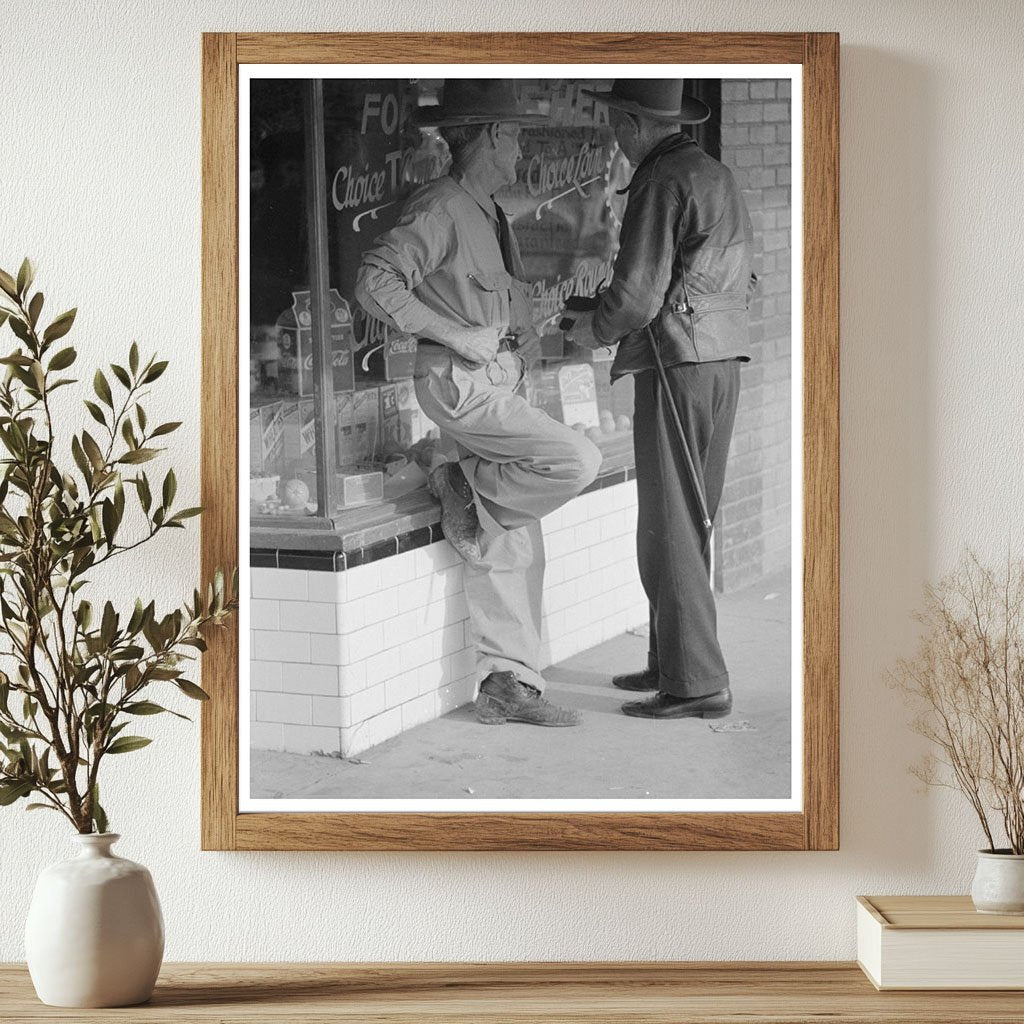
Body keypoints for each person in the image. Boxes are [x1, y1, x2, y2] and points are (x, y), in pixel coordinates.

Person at [355, 80, 601, 728]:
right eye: (515, 133)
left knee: (509, 534)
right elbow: (374, 281)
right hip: (460, 386)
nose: (520, 146)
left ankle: (506, 681)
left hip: (496, 381)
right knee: (576, 460)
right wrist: (456, 334)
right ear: (491, 135)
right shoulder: (441, 206)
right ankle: (456, 478)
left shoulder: (486, 210)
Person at [563, 80, 756, 720]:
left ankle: (696, 684)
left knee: (668, 523)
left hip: (676, 362)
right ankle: (672, 662)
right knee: (688, 521)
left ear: (632, 121)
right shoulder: (712, 173)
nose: (615, 136)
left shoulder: (659, 177)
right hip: (720, 361)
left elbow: (641, 294)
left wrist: (590, 328)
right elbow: (711, 274)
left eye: (617, 122)